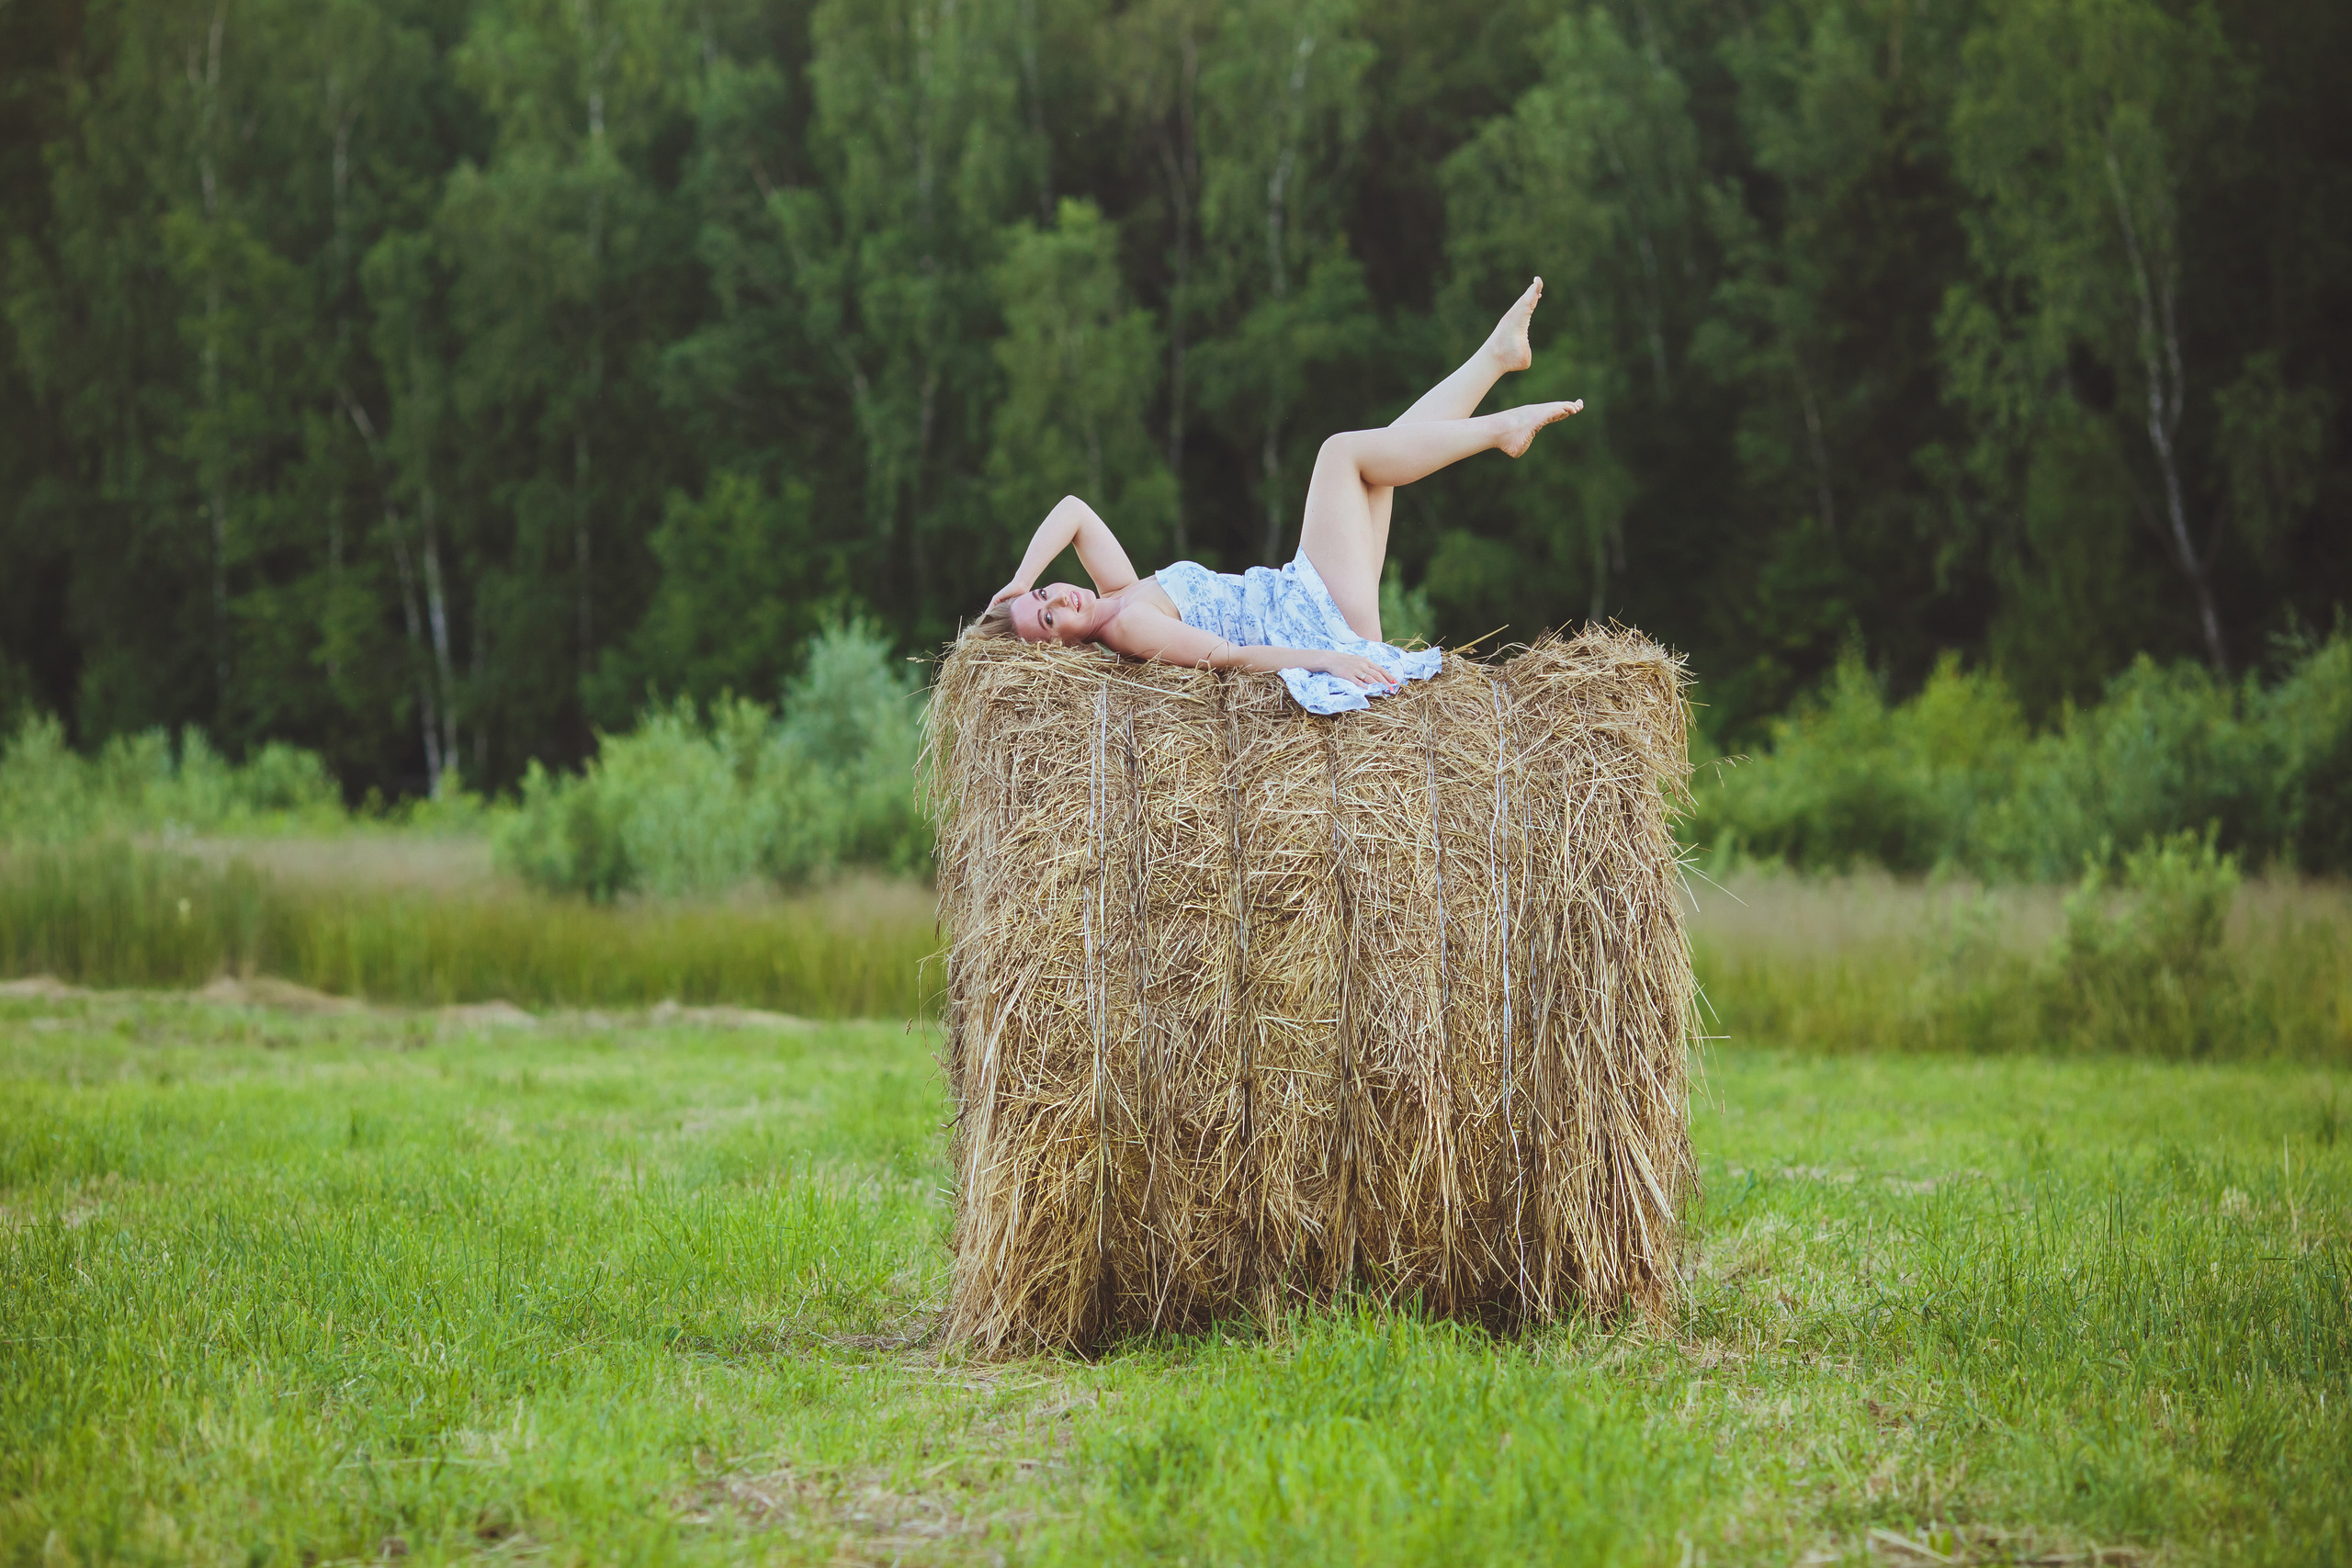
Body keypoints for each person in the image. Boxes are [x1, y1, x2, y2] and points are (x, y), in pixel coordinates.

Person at [969, 277, 1580, 715]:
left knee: (1384, 457)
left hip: (1309, 597)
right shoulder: (1128, 628)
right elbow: (1229, 656)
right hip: (1313, 614)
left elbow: (1074, 510)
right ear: (1062, 647)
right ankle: (1500, 427)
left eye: (1049, 594)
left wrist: (1021, 581)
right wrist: (1328, 660)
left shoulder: (1116, 593)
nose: (1060, 601)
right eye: (1050, 620)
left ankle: (1497, 357)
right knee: (1340, 452)